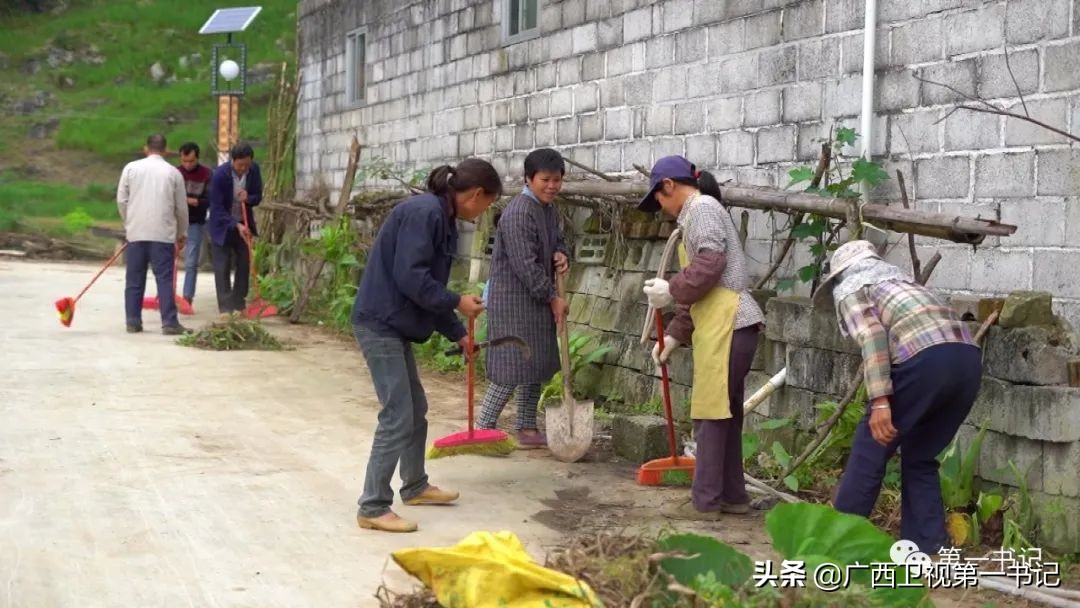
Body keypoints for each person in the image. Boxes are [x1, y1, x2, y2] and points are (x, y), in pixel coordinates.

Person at [351, 158, 502, 533]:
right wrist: (458, 302)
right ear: (476, 195)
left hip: (394, 323)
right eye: (487, 205)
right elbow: (411, 278)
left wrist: (459, 332)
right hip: (379, 322)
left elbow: (427, 291)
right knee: (398, 412)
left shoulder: (441, 217)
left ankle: (415, 485)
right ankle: (372, 505)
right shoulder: (425, 214)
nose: (483, 213)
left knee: (415, 407)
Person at [812, 240, 981, 554]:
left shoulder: (851, 287)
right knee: (920, 455)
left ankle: (837, 545)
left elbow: (873, 337)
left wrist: (879, 401)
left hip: (924, 360)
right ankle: (928, 545)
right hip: (968, 360)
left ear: (839, 275)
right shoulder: (903, 283)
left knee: (870, 446)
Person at [638, 155, 764, 521]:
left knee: (711, 414)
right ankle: (732, 497)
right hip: (725, 325)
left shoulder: (702, 209)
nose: (660, 208)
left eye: (659, 199)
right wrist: (674, 336)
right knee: (724, 416)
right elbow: (699, 288)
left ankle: (705, 502)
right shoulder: (694, 215)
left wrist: (672, 290)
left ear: (668, 186)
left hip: (730, 323)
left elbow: (710, 266)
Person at [476, 148, 570, 448]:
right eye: (545, 179)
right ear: (529, 179)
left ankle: (526, 427)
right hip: (512, 301)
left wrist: (562, 254)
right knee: (511, 364)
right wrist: (552, 296)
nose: (552, 186)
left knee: (537, 363)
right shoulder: (518, 213)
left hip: (536, 300)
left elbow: (559, 241)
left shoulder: (549, 209)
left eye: (557, 180)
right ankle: (483, 426)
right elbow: (525, 265)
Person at [115, 133, 190, 335]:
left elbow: (122, 200)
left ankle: (132, 321)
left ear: (145, 148)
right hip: (162, 235)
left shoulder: (131, 168)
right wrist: (181, 233)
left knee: (134, 279)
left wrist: (129, 223)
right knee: (164, 279)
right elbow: (181, 208)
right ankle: (169, 323)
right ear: (166, 150)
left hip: (136, 233)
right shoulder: (173, 173)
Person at [207, 142, 263, 315]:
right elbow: (216, 207)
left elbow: (257, 197)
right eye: (240, 165)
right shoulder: (219, 175)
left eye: (247, 164)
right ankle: (225, 307)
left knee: (244, 263)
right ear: (233, 161)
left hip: (244, 224)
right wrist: (235, 225)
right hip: (222, 225)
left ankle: (239, 303)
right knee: (222, 265)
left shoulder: (253, 171)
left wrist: (249, 197)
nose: (244, 168)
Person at [177, 142, 212, 306]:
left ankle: (187, 297)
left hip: (195, 221)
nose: (187, 165)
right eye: (184, 161)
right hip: (175, 221)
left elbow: (210, 200)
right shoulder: (175, 173)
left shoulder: (207, 174)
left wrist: (194, 202)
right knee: (168, 259)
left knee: (191, 261)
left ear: (197, 158)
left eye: (191, 161)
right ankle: (165, 294)